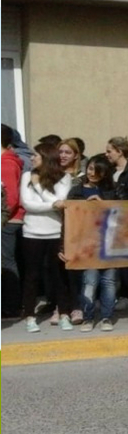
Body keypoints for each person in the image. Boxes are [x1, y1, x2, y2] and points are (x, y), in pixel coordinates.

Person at [19, 142, 74, 332]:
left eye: (35, 155)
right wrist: (52, 203)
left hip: (54, 232)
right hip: (32, 232)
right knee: (32, 276)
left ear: (46, 157)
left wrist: (38, 187)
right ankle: (29, 316)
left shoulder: (64, 178)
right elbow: (28, 204)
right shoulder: (27, 175)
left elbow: (62, 201)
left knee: (59, 275)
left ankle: (65, 313)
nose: (31, 158)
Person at [68, 154, 118, 330]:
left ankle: (106, 317)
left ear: (105, 174)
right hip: (86, 244)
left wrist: (102, 203)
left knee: (109, 281)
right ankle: (88, 317)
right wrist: (64, 245)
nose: (92, 173)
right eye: (90, 168)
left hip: (108, 244)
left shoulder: (112, 191)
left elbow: (122, 215)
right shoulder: (77, 190)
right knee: (89, 281)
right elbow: (68, 219)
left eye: (97, 171)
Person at [2, 124, 25, 318]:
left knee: (6, 262)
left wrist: (2, 218)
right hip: (6, 219)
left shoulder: (6, 163)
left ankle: (11, 305)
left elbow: (10, 198)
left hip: (8, 221)